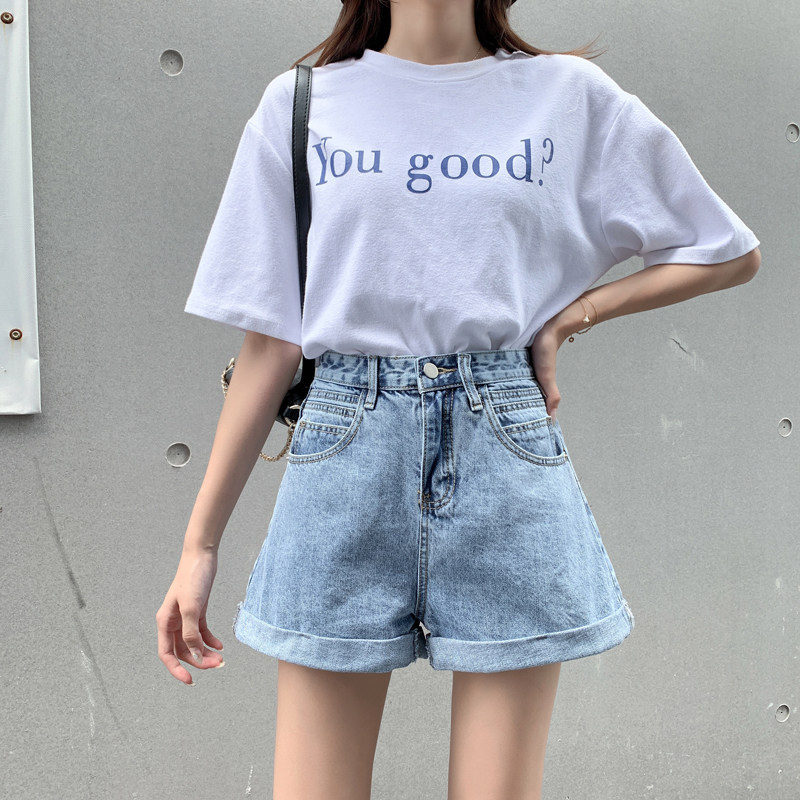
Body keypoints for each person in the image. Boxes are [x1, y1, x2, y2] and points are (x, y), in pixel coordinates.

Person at [156, 0, 761, 797]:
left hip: (501, 446)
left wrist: (574, 314)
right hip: (344, 448)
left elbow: (724, 251)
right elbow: (271, 343)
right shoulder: (300, 104)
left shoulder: (567, 94)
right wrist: (199, 546)